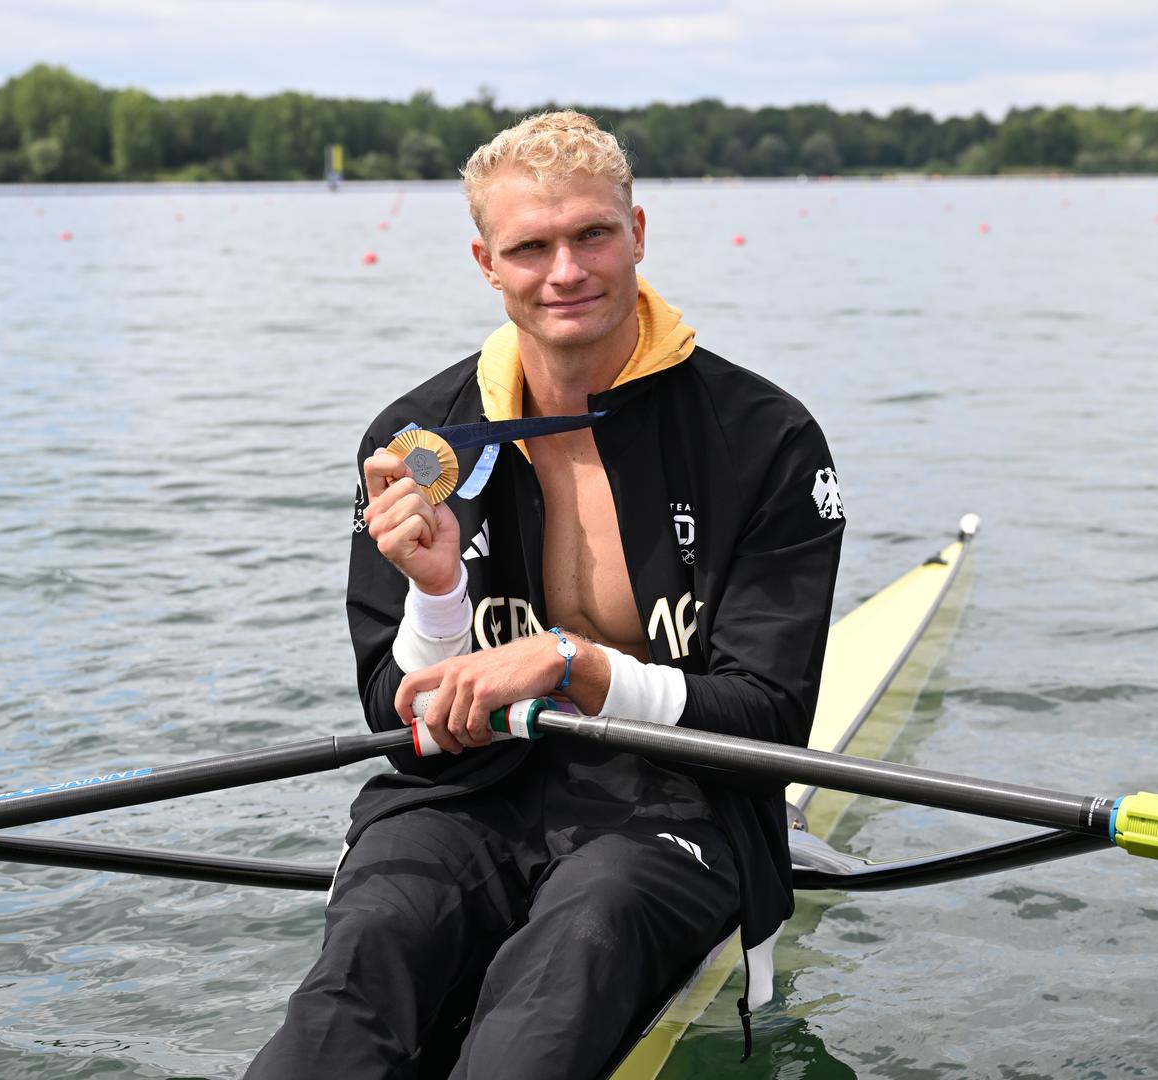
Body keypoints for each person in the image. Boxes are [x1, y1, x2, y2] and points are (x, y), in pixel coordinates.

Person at [247, 111, 847, 1079]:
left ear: (638, 234)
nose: (565, 271)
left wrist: (577, 664)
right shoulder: (414, 439)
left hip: (677, 803)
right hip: (466, 799)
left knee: (566, 971)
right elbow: (394, 719)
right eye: (531, 247)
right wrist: (438, 599)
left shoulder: (764, 438)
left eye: (592, 236)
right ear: (486, 263)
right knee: (360, 969)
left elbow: (770, 723)